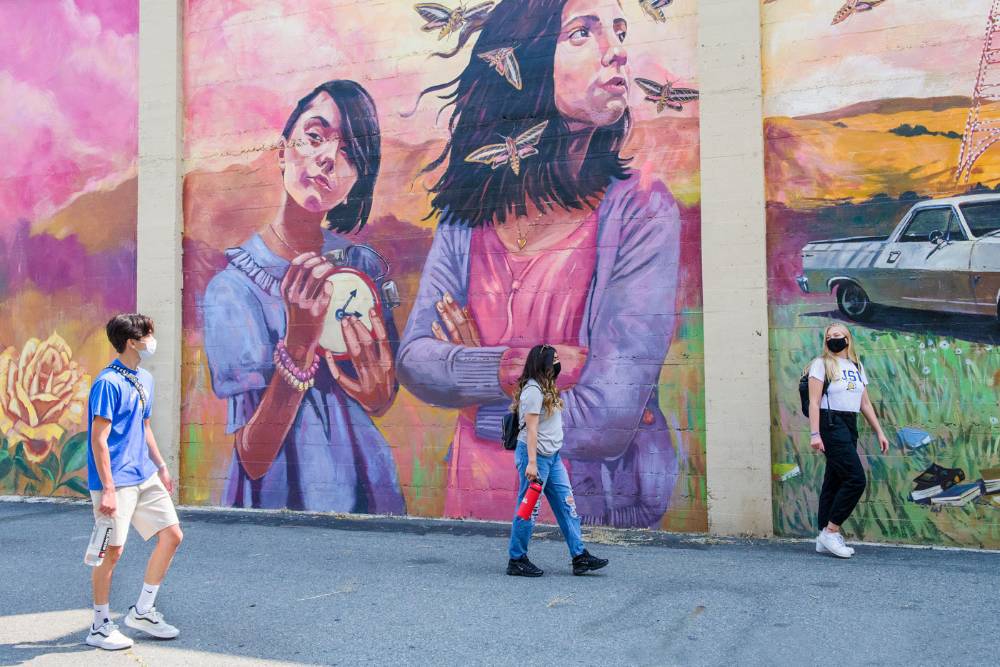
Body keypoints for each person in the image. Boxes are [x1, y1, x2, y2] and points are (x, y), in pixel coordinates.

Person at [398, 0, 681, 528]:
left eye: (619, 31)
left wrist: (474, 388)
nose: (617, 51)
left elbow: (606, 420)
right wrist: (522, 367)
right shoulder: (469, 213)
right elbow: (416, 361)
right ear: (523, 61)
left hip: (588, 517)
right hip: (471, 507)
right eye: (582, 33)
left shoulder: (641, 210)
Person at [203, 80, 404, 513]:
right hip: (282, 495)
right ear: (282, 150)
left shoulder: (360, 266)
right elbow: (254, 458)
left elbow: (382, 396)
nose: (328, 158)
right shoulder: (233, 291)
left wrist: (376, 389)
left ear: (356, 181)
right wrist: (299, 342)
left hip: (368, 488)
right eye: (314, 137)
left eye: (350, 154)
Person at [85, 314, 183, 650]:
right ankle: (99, 626)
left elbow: (143, 427)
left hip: (144, 475)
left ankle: (143, 610)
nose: (152, 340)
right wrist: (108, 488)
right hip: (116, 482)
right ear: (132, 341)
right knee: (111, 551)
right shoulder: (107, 383)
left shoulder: (144, 379)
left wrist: (161, 466)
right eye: (149, 335)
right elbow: (100, 438)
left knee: (171, 536)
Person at [506, 344, 608, 576]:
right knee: (528, 509)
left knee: (566, 505)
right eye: (553, 359)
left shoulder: (546, 387)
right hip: (536, 458)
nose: (557, 362)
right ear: (542, 362)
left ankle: (579, 556)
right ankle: (517, 559)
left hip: (552, 458)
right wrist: (531, 463)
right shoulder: (533, 390)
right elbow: (531, 430)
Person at [807, 323, 889, 559]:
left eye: (838, 335)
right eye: (829, 336)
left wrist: (879, 432)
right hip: (830, 422)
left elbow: (864, 404)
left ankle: (823, 537)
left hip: (849, 423)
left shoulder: (856, 365)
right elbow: (814, 402)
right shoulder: (821, 364)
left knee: (834, 479)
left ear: (847, 338)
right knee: (855, 479)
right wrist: (815, 434)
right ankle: (832, 531)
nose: (834, 339)